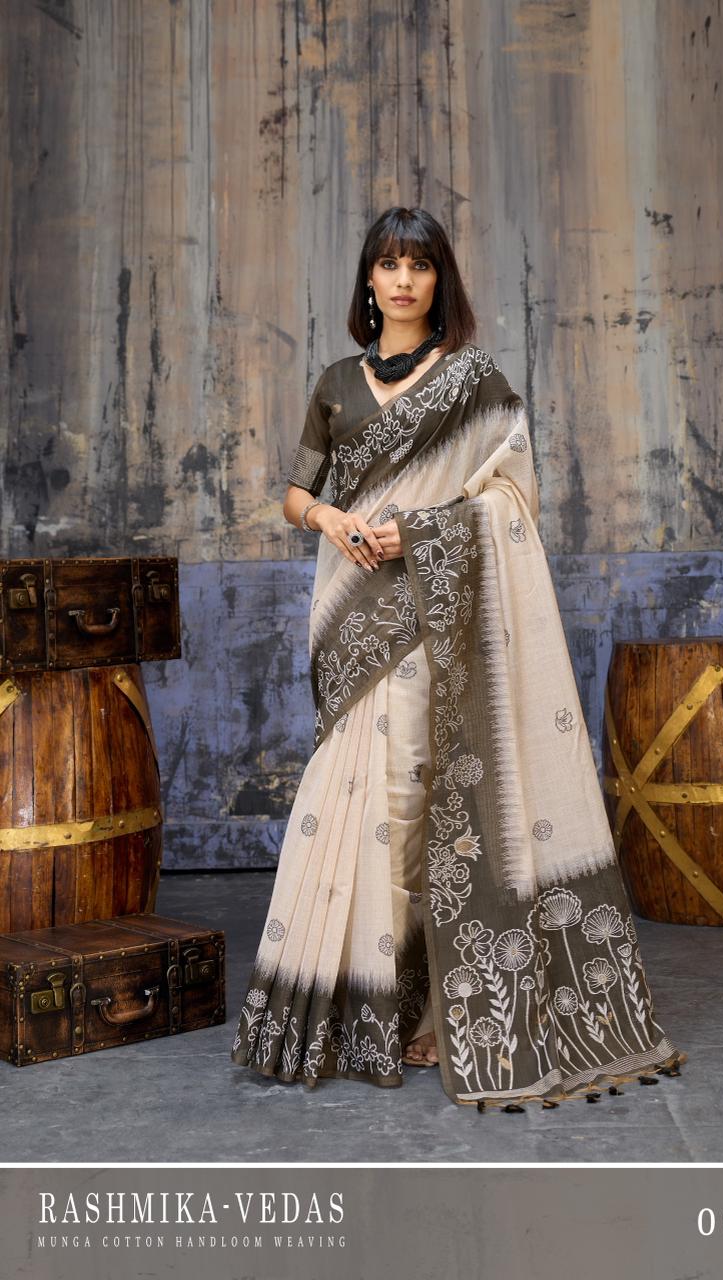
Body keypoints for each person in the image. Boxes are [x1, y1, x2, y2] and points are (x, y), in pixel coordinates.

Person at [230, 206, 687, 1110]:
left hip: (442, 627)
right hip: (358, 627)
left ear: (440, 280)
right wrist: (329, 517)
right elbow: (295, 492)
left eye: (420, 265)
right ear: (368, 280)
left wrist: (422, 532)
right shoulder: (337, 383)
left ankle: (447, 1007)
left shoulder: (474, 382)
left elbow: (513, 500)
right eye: (389, 264)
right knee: (362, 810)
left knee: (433, 807)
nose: (403, 280)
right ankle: (363, 1008)